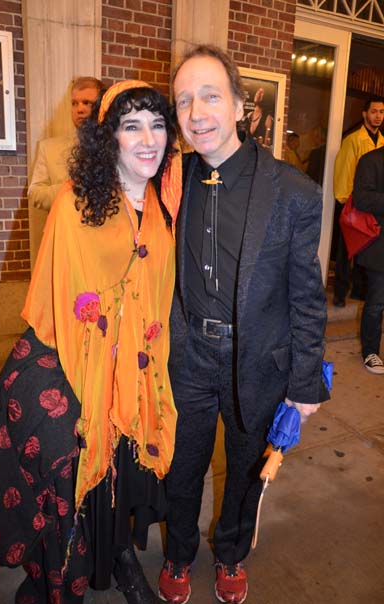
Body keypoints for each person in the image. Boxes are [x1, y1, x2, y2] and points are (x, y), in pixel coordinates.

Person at [0, 80, 181, 604]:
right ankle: (63, 570)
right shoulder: (76, 204)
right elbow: (59, 302)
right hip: (72, 359)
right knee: (71, 470)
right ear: (109, 137)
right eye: (131, 126)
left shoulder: (162, 209)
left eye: (157, 125)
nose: (147, 139)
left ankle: (120, 557)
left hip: (135, 366)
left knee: (126, 474)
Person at [157, 44, 329, 604]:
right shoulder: (168, 179)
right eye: (184, 101)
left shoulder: (294, 193)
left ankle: (231, 552)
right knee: (181, 468)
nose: (196, 112)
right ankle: (178, 553)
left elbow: (307, 296)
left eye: (210, 96)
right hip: (186, 357)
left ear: (239, 106)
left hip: (257, 360)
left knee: (247, 469)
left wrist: (306, 382)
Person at [332, 97, 384, 307]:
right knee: (346, 251)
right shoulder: (352, 140)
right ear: (364, 114)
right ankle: (339, 292)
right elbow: (344, 171)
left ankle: (359, 291)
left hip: (375, 207)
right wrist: (345, 202)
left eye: (381, 112)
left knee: (368, 250)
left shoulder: (382, 142)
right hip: (353, 203)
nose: (378, 116)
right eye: (374, 111)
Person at [28, 76, 104, 212]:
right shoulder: (48, 148)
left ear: (101, 107)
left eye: (87, 103)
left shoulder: (117, 147)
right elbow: (35, 194)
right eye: (74, 103)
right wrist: (72, 188)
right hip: (64, 230)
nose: (79, 109)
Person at [353, 146, 384, 374]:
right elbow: (362, 199)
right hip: (379, 244)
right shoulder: (371, 160)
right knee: (376, 302)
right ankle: (370, 351)